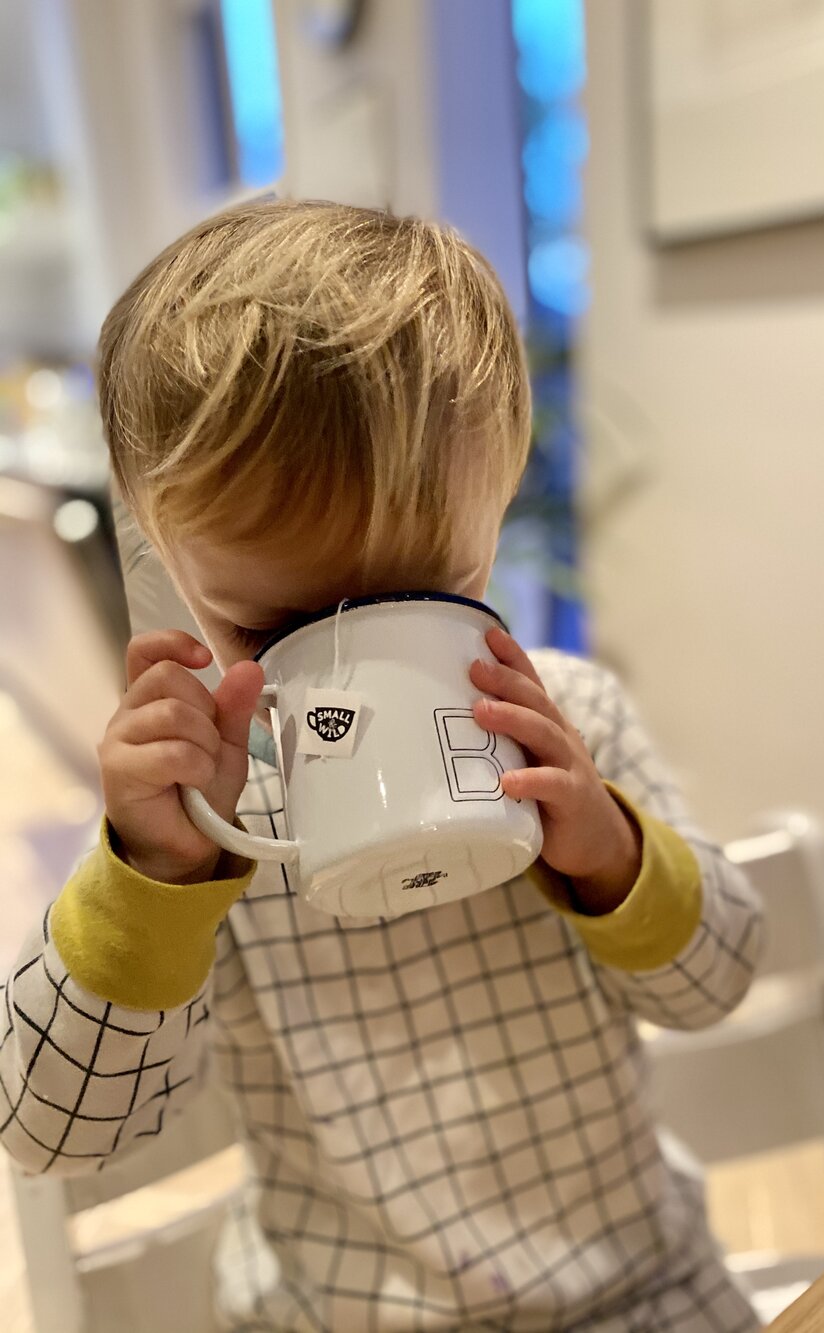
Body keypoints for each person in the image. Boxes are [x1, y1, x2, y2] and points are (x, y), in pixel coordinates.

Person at [0, 201, 762, 1332]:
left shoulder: (573, 721)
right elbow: (48, 1131)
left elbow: (719, 981)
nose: (357, 672)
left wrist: (607, 854)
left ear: (491, 510)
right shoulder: (206, 813)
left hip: (639, 1288)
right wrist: (151, 881)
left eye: (428, 602)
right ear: (166, 553)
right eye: (282, 626)